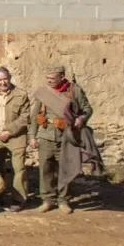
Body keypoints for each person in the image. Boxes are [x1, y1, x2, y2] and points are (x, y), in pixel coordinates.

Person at [29, 65, 94, 214]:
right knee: (45, 169)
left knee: (65, 169)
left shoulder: (74, 90)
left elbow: (87, 109)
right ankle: (47, 200)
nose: (49, 81)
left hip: (67, 136)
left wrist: (82, 119)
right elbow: (34, 116)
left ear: (62, 77)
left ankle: (63, 200)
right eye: (47, 78)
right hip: (46, 135)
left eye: (52, 78)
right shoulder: (44, 92)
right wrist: (32, 136)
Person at [0, 67, 30, 211]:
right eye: (0, 80)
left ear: (10, 78)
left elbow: (25, 117)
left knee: (18, 168)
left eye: (5, 79)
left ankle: (19, 199)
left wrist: (9, 131)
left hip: (16, 137)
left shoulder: (21, 94)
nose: (3, 82)